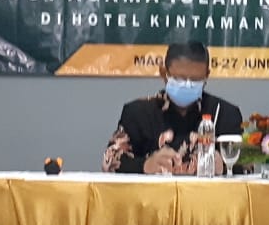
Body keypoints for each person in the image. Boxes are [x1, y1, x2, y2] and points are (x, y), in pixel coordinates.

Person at [102, 41, 243, 174]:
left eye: (195, 80)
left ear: (206, 76)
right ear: (164, 73)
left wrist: (225, 166)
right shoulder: (138, 112)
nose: (187, 85)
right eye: (180, 78)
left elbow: (247, 165)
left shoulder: (225, 113)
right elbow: (110, 161)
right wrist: (145, 165)